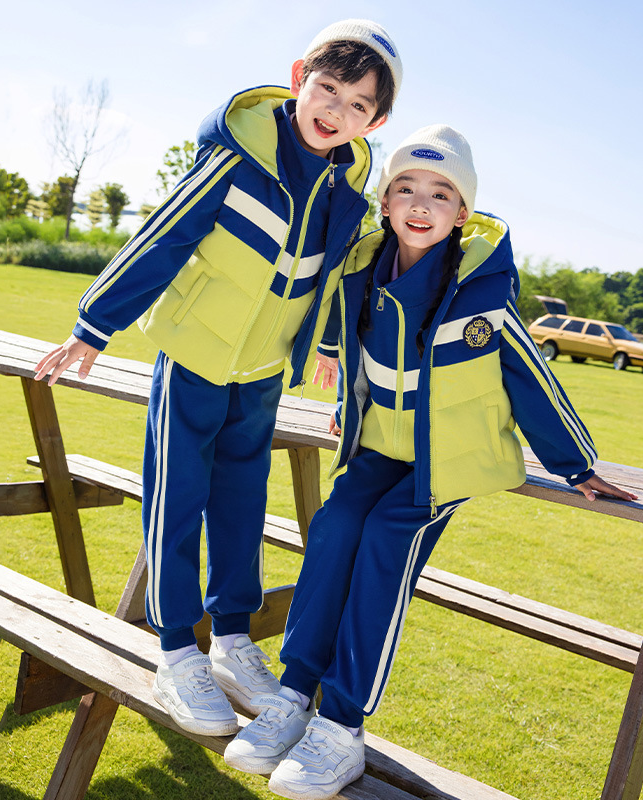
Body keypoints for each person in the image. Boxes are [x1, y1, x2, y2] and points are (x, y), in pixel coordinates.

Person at [223, 125, 638, 799]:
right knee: (335, 526)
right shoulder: (363, 267)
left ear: (462, 212)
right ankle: (293, 695)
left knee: (388, 537)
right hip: (381, 445)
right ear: (386, 202)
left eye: (441, 194)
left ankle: (341, 726)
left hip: (446, 457)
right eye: (407, 189)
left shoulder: (481, 291)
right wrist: (348, 400)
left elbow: (530, 377)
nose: (421, 204)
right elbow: (351, 335)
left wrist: (576, 464)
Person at [33, 19, 402, 737]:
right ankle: (176, 650)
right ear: (299, 79)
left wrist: (329, 346)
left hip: (262, 372)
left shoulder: (347, 192)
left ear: (375, 122)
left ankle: (232, 640)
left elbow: (337, 278)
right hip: (194, 359)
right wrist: (93, 324)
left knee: (241, 504)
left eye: (358, 104)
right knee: (177, 499)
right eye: (328, 89)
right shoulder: (238, 156)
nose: (336, 110)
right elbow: (165, 235)